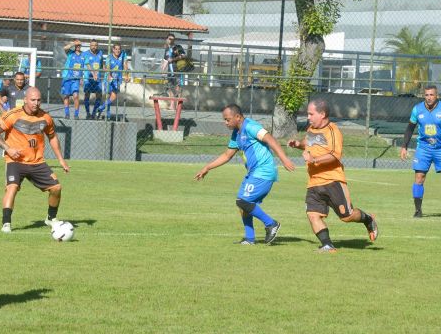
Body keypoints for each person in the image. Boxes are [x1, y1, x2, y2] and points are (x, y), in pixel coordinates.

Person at [194, 104, 295, 245]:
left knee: (243, 201)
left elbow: (271, 140)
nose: (225, 123)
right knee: (243, 205)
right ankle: (249, 238)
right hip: (253, 173)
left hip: (263, 171)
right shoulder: (236, 133)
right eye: (224, 120)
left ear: (237, 117)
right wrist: (207, 167)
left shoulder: (251, 127)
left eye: (227, 119)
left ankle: (271, 224)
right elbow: (227, 155)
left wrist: (284, 159)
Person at [288, 99, 378, 253]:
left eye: (311, 114)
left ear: (322, 114)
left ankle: (368, 219)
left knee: (347, 216)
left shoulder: (333, 131)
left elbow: (335, 155)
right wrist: (298, 144)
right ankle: (327, 245)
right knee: (313, 214)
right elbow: (308, 142)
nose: (308, 117)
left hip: (332, 180)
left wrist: (314, 159)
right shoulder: (311, 129)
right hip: (314, 182)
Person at [0, 87, 70, 234]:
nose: (36, 103)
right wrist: (8, 149)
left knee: (56, 188)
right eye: (33, 100)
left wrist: (61, 160)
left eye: (38, 100)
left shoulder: (46, 117)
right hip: (15, 161)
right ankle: (6, 223)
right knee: (12, 187)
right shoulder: (12, 115)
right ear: (25, 100)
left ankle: (51, 218)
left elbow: (52, 137)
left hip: (37, 162)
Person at [400, 85, 441, 219]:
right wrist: (404, 146)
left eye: (431, 95)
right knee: (419, 178)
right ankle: (418, 211)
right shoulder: (417, 109)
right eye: (426, 95)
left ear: (436, 95)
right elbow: (410, 128)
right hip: (423, 149)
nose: (429, 97)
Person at [97, 43, 129, 120]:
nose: (118, 51)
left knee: (113, 96)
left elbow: (125, 65)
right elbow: (107, 67)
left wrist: (126, 75)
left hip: (117, 79)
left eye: (119, 49)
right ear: (113, 50)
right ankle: (108, 115)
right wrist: (109, 75)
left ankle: (101, 108)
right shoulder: (109, 57)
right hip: (108, 78)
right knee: (108, 96)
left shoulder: (123, 55)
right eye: (116, 49)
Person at [61, 39, 85, 119]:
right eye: (76, 45)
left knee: (76, 96)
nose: (77, 46)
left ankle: (76, 114)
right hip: (67, 77)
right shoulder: (70, 53)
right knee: (66, 96)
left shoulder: (83, 55)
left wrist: (82, 77)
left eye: (79, 45)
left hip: (76, 79)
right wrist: (73, 43)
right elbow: (65, 48)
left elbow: (84, 67)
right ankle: (67, 113)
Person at [161, 33, 186, 104]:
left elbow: (183, 55)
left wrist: (173, 59)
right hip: (170, 71)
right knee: (170, 87)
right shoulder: (167, 49)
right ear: (167, 39)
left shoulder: (178, 47)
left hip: (177, 70)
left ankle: (179, 105)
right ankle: (172, 105)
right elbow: (166, 61)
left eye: (173, 39)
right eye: (170, 39)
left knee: (178, 87)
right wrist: (163, 71)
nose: (171, 40)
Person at [82, 39, 104, 119]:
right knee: (87, 95)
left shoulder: (100, 53)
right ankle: (88, 113)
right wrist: (93, 74)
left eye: (95, 45)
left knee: (99, 95)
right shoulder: (85, 54)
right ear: (90, 46)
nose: (94, 47)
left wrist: (107, 72)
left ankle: (94, 113)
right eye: (92, 45)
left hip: (97, 78)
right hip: (88, 78)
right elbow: (87, 65)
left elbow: (102, 64)